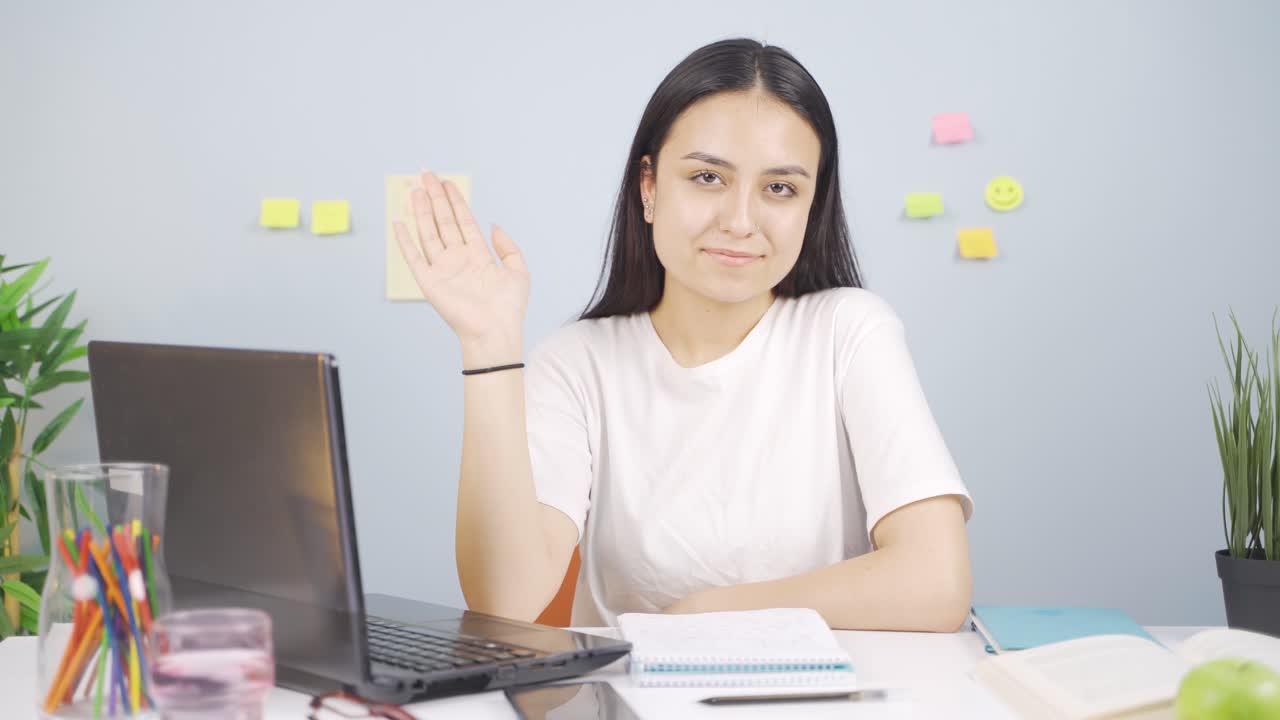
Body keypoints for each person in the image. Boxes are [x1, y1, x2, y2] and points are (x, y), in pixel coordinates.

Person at [394, 38, 974, 631]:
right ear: (648, 186)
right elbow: (503, 601)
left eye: (780, 188)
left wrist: (705, 613)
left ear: (811, 203)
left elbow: (937, 581)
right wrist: (488, 346)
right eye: (706, 177)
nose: (740, 221)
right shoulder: (577, 362)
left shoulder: (851, 330)